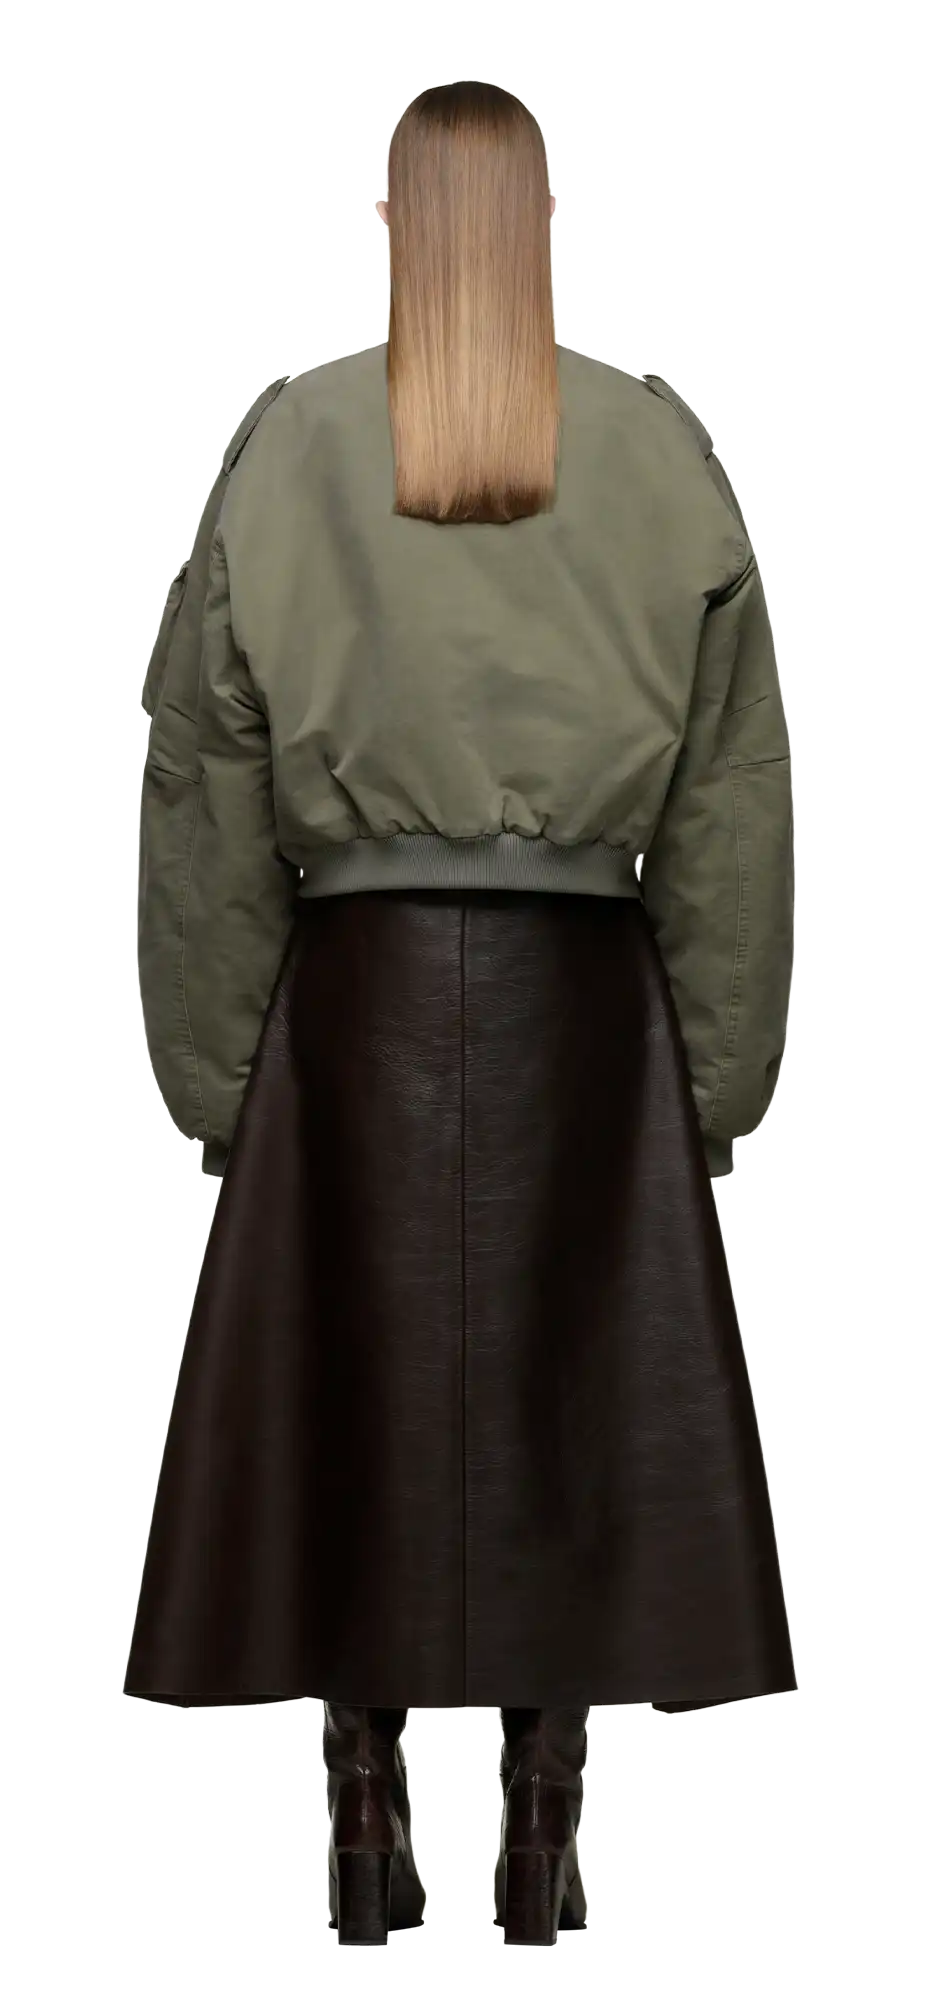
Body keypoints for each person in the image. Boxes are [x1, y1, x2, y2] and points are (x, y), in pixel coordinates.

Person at [121, 80, 799, 1949]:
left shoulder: (291, 437)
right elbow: (731, 796)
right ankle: (541, 1836)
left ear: (393, 225)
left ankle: (360, 1823)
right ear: (541, 222)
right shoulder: (658, 445)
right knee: (567, 1405)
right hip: (588, 1003)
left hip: (353, 1002)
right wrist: (710, 1080)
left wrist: (221, 1072)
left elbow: (202, 774)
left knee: (347, 1393)